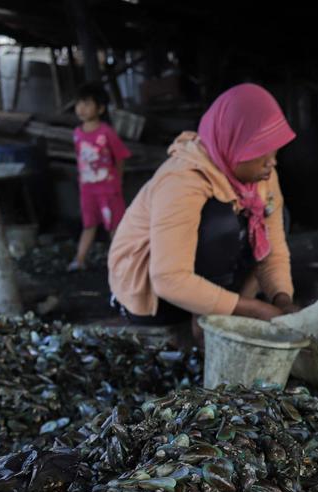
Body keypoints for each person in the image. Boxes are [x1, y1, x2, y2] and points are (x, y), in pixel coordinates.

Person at [108, 84, 298, 328]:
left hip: (212, 283)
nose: (270, 163)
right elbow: (167, 278)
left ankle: (225, 307)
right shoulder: (182, 179)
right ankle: (207, 318)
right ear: (234, 145)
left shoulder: (262, 178)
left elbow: (275, 250)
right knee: (220, 220)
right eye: (260, 152)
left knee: (277, 217)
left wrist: (281, 300)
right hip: (156, 297)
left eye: (275, 153)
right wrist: (254, 309)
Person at [70, 83, 131, 271]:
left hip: (109, 188)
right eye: (79, 103)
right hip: (87, 189)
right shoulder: (77, 133)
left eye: (87, 104)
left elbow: (121, 156)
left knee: (115, 227)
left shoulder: (107, 132)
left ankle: (121, 264)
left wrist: (117, 181)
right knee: (88, 224)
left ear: (100, 108)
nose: (81, 108)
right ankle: (79, 260)